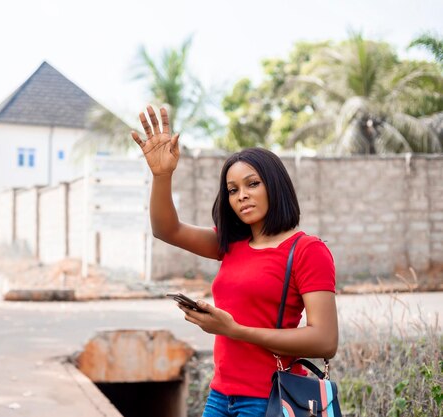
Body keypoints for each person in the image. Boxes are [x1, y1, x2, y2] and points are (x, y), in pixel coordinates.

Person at [131, 105, 339, 417]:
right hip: (220, 396)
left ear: (275, 186)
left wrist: (234, 330)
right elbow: (166, 229)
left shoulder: (307, 250)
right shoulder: (230, 244)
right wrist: (162, 175)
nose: (241, 195)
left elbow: (325, 340)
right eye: (232, 189)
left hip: (270, 398)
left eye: (252, 184)